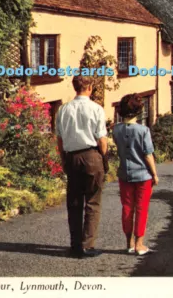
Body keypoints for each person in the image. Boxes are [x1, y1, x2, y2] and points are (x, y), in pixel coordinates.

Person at [56, 76, 108, 259]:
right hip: (91, 155)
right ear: (90, 87)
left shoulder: (63, 110)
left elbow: (60, 139)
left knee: (74, 202)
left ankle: (75, 244)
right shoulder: (96, 109)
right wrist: (104, 158)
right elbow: (102, 139)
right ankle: (88, 244)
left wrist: (64, 160)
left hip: (72, 156)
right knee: (93, 200)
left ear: (75, 87)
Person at [112, 94, 159, 256]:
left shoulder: (116, 129)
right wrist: (154, 174)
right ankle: (139, 244)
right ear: (138, 111)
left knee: (127, 208)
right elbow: (148, 154)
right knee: (141, 208)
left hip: (124, 173)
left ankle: (129, 243)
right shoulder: (143, 130)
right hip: (143, 175)